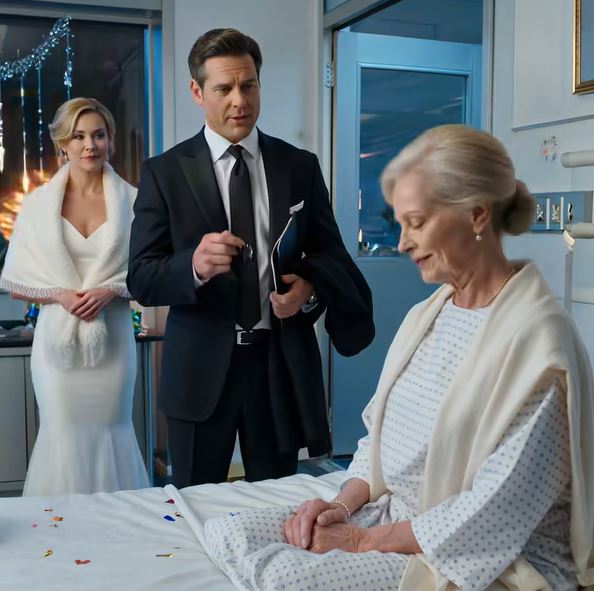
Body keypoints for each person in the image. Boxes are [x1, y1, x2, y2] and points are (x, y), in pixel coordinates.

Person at [200, 125, 594, 591]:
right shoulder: (429, 315)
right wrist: (341, 506)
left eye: (417, 222)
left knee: (283, 577)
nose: (403, 243)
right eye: (401, 224)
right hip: (397, 516)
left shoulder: (538, 344)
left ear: (477, 215)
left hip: (475, 551)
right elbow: (380, 438)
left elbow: (496, 512)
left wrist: (361, 541)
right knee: (226, 531)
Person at [127, 28, 374, 487]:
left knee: (276, 506)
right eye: (224, 88)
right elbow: (140, 278)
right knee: (195, 506)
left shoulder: (299, 166)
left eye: (249, 85)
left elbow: (331, 254)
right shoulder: (164, 173)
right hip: (198, 372)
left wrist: (309, 289)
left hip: (276, 367)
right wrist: (193, 267)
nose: (239, 100)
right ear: (197, 92)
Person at [0, 97, 149, 495]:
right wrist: (61, 296)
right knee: (61, 432)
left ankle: (120, 524)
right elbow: (16, 280)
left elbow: (149, 271)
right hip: (57, 350)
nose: (89, 145)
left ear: (110, 140)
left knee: (114, 429)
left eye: (98, 135)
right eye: (78, 136)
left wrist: (111, 289)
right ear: (62, 144)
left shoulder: (134, 202)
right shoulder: (37, 205)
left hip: (113, 343)